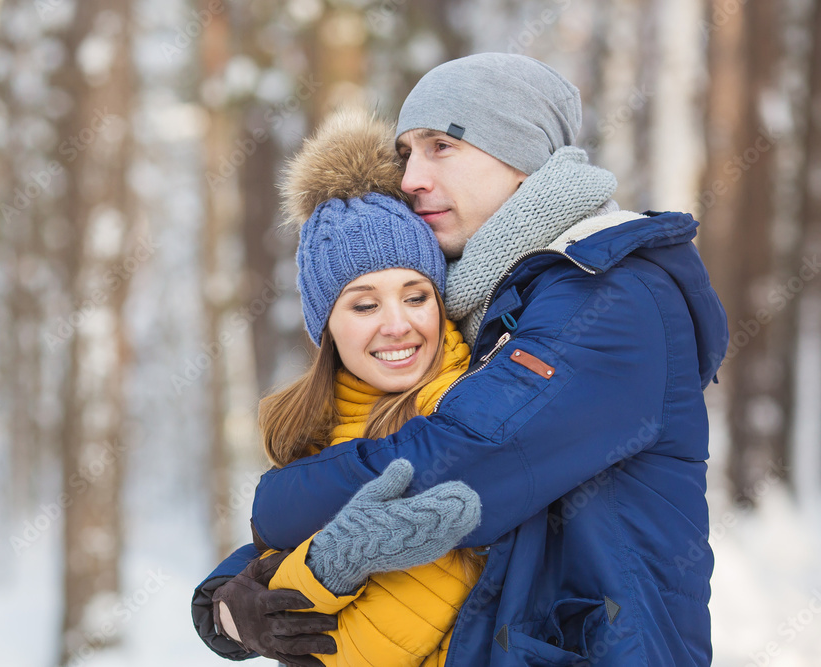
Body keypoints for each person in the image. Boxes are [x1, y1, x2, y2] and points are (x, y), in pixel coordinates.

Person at [193, 52, 729, 667]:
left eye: (441, 146)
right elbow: (387, 461)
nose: (411, 178)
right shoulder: (490, 302)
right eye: (405, 154)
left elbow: (460, 462)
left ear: (522, 157)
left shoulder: (611, 295)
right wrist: (228, 597)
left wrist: (275, 507)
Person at [211, 106, 493, 667]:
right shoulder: (307, 431)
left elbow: (374, 645)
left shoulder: (470, 407)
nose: (397, 323)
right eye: (364, 304)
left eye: (416, 296)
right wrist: (223, 606)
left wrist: (320, 568)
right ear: (327, 328)